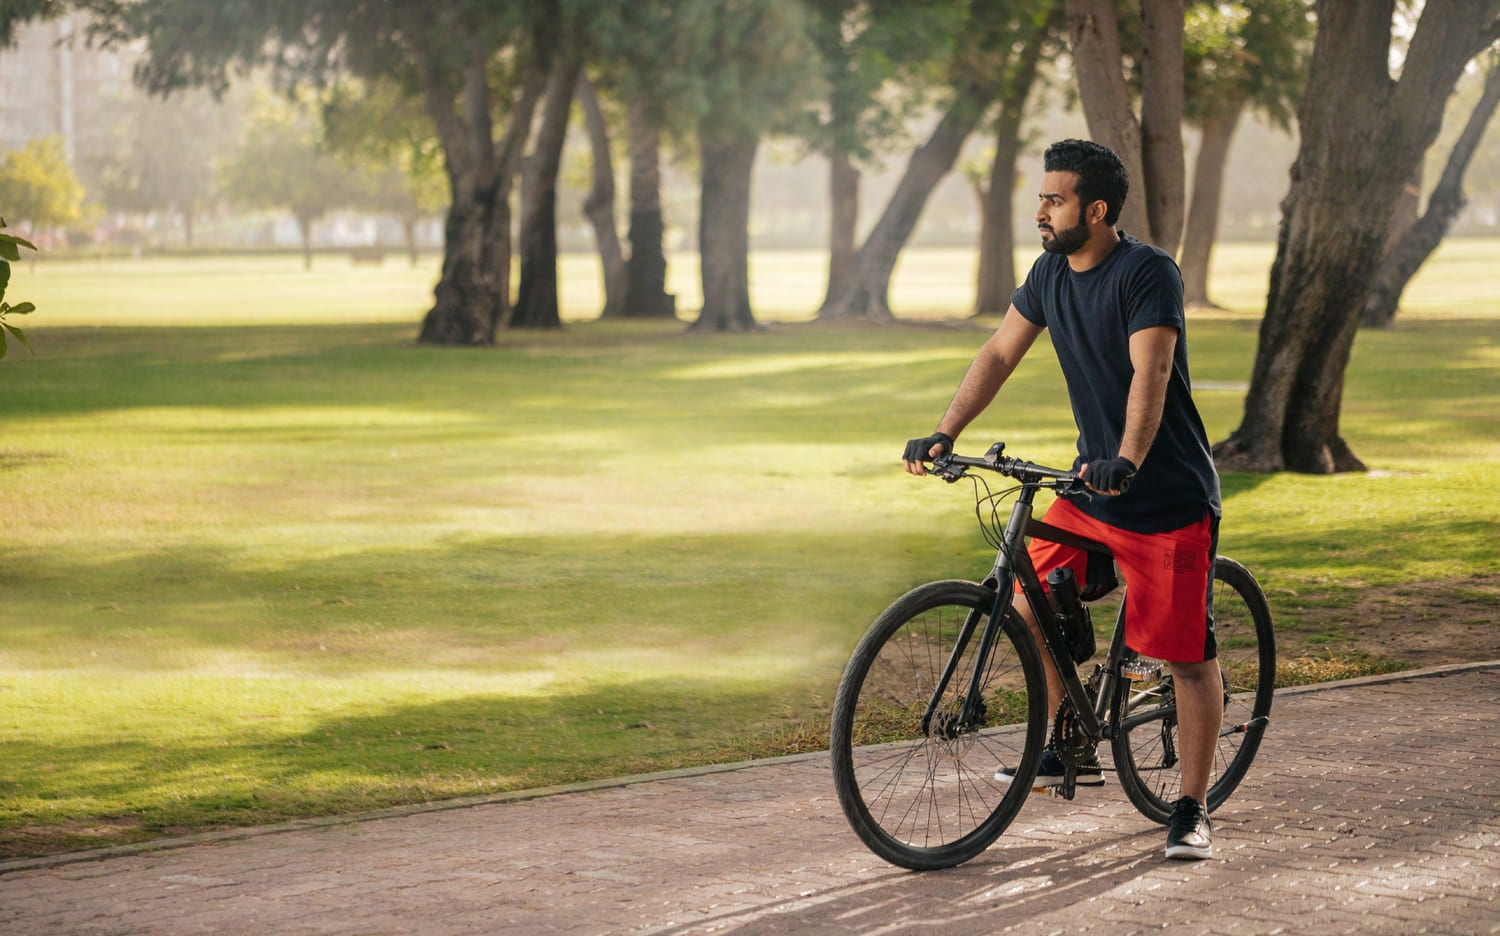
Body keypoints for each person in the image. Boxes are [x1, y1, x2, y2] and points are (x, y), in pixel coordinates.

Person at [901, 139, 1223, 861]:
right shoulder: (1049, 273)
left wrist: (1129, 460)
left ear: (1096, 210)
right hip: (1091, 491)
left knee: (1185, 658)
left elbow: (1154, 368)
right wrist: (946, 431)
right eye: (1042, 198)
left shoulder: (1147, 273)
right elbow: (998, 354)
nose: (1040, 211)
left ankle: (1193, 806)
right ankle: (1071, 740)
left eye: (1055, 199)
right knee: (1025, 597)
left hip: (1164, 496)